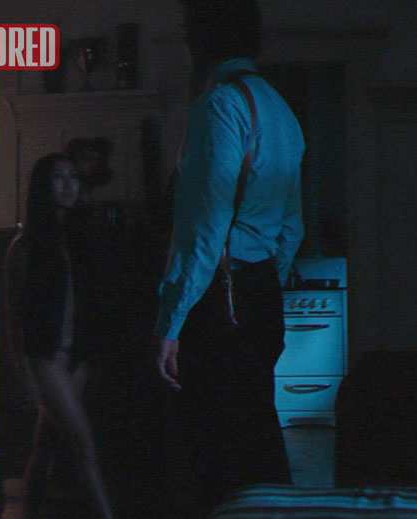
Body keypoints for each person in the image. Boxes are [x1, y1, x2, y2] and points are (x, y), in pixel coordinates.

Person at [153, 0, 305, 515]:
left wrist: (170, 323)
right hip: (258, 293)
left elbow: (202, 232)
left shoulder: (219, 105)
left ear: (201, 37)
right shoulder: (281, 110)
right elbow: (292, 228)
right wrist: (264, 284)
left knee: (214, 450)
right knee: (258, 435)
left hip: (221, 301)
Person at [6, 153, 115, 519]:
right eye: (58, 177)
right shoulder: (24, 247)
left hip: (76, 357)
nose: (68, 184)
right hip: (46, 359)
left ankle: (25, 514)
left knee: (46, 448)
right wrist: (23, 371)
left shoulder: (78, 239)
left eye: (73, 176)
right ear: (43, 186)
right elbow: (13, 318)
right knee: (84, 446)